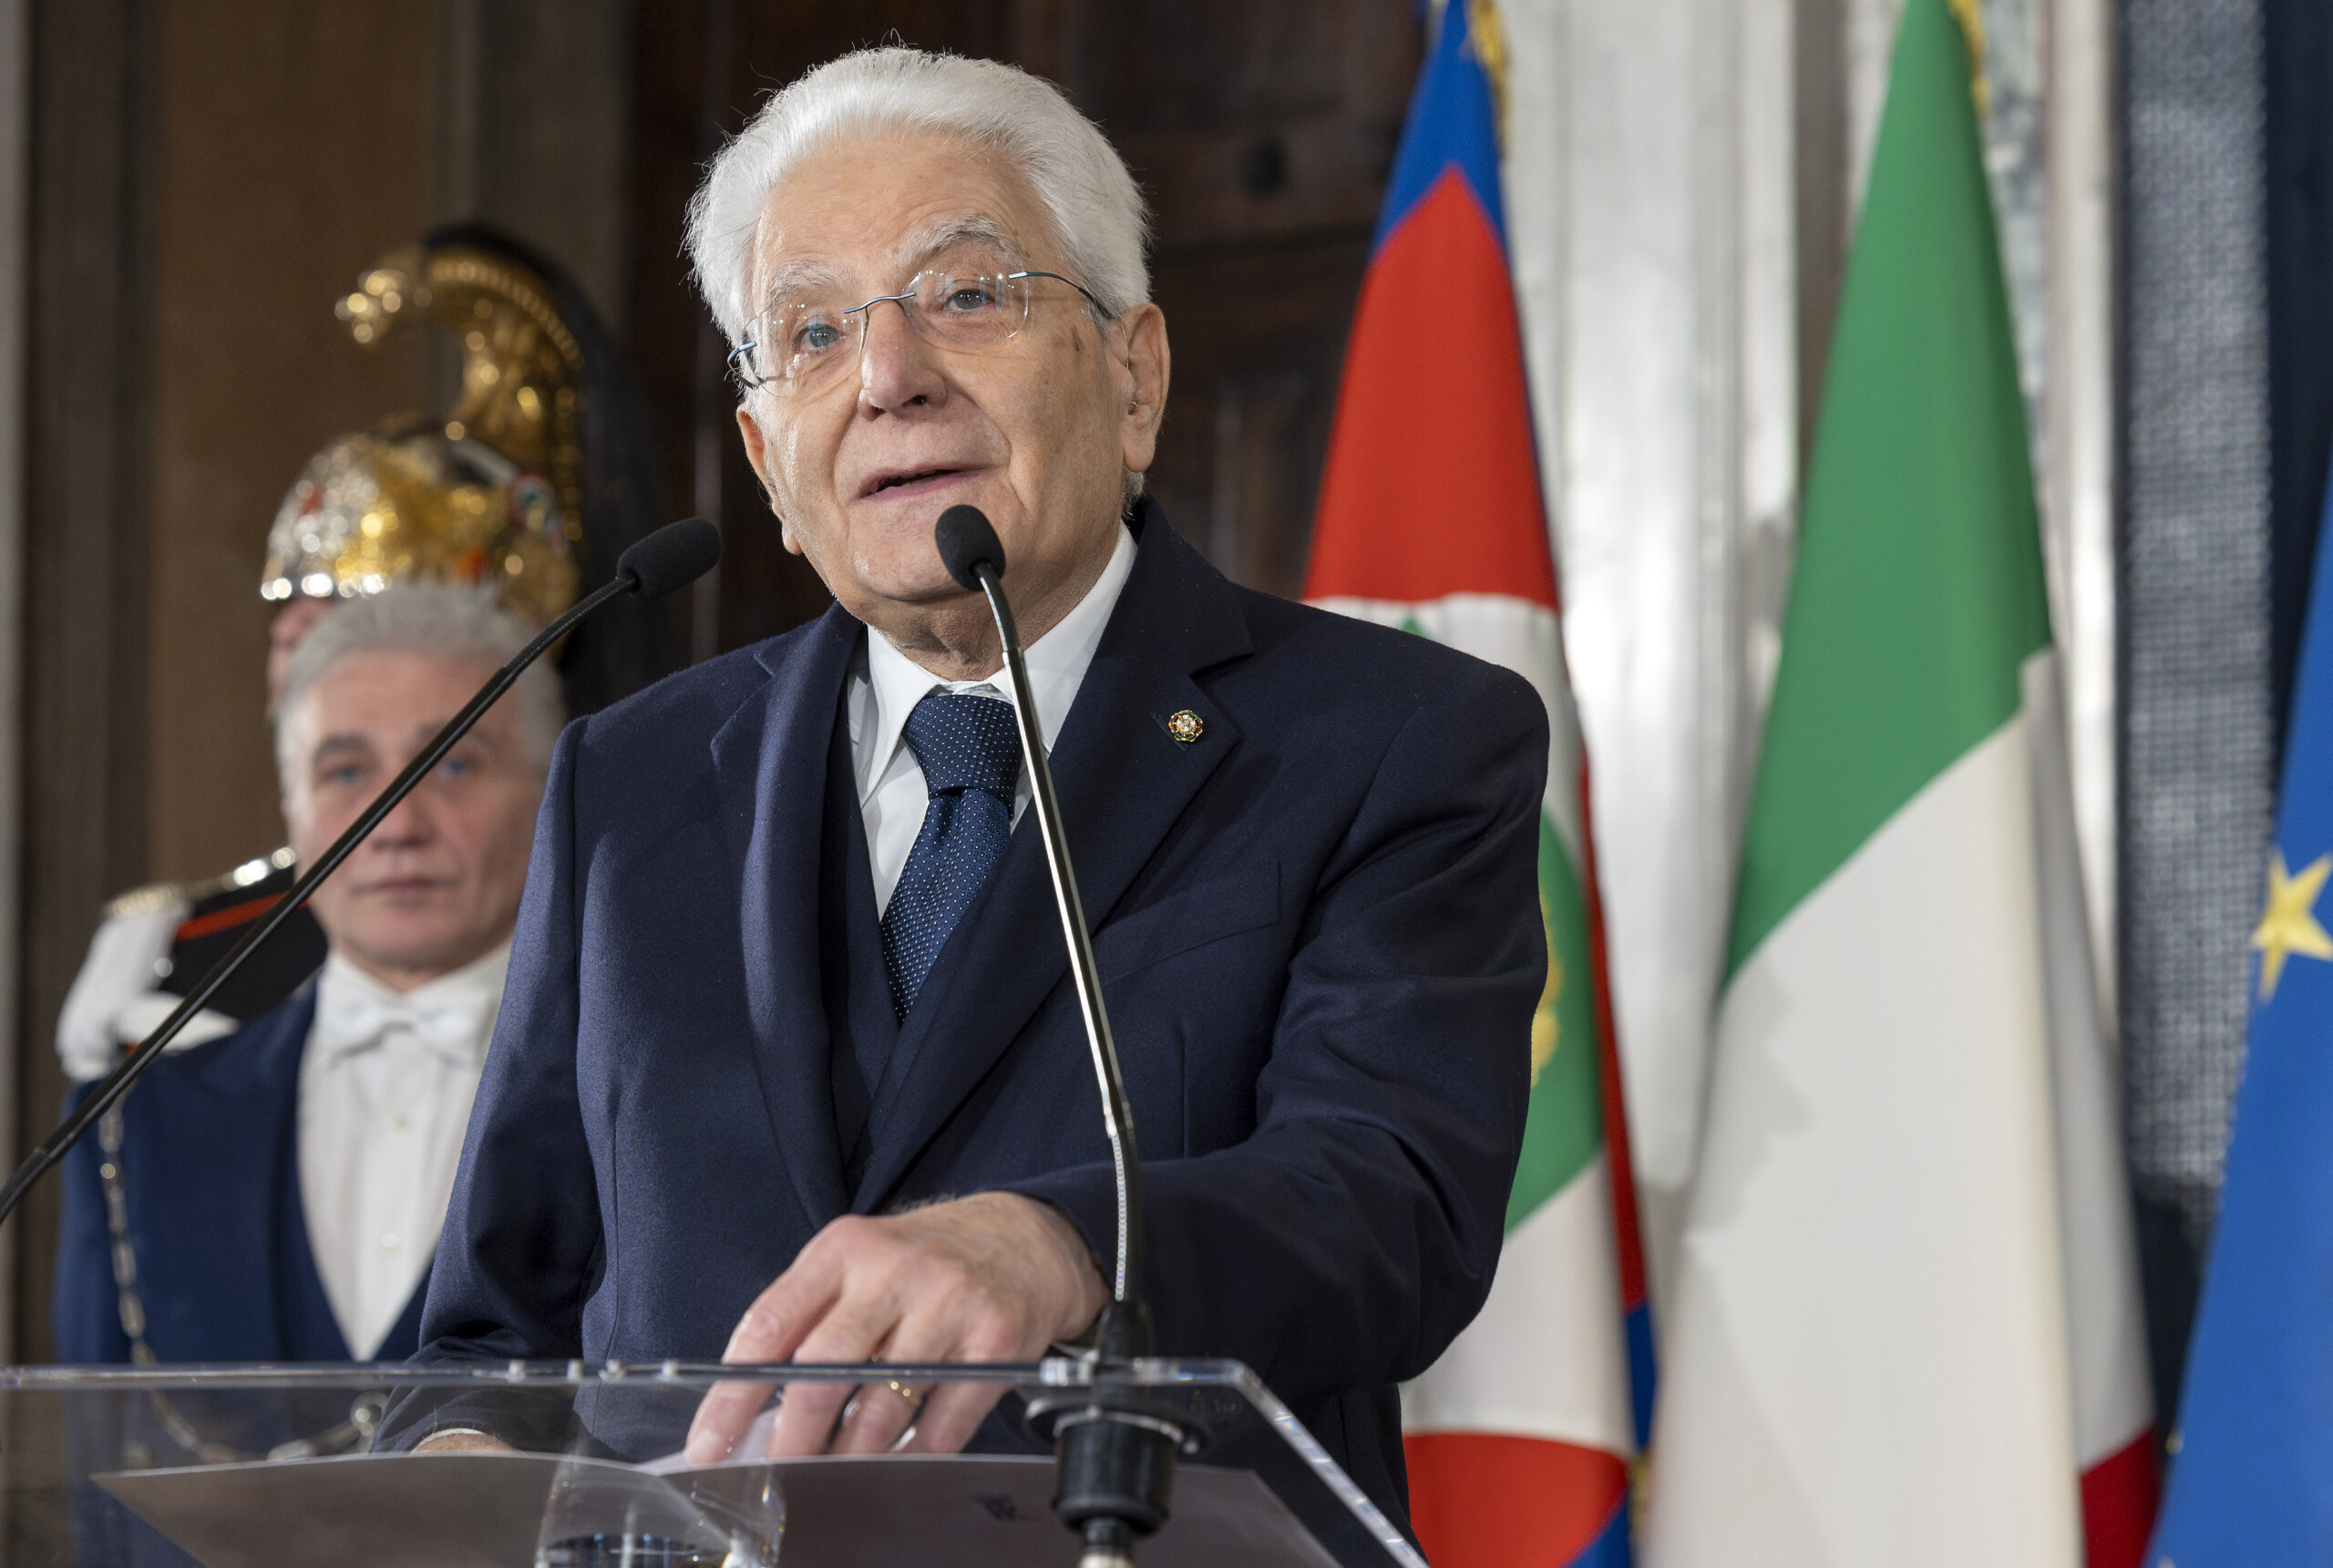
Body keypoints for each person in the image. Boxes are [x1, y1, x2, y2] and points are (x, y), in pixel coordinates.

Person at [413, 48, 1544, 1563]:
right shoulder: (629, 780)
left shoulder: (1395, 740)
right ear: (765, 454)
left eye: (966, 293)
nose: (888, 377)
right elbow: (499, 1320)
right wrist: (458, 1464)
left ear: (1134, 373)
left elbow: (1390, 1201)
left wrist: (1059, 1247)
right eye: (812, 332)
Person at [53, 226, 667, 1089]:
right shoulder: (177, 962)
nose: (300, 646)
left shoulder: (645, 941)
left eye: (350, 612)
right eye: (287, 612)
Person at [55, 584, 561, 1374]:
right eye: (346, 770)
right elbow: (101, 1474)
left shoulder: (645, 1108)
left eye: (455, 763)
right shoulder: (132, 1127)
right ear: (291, 808)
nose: (397, 824)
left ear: (546, 793)